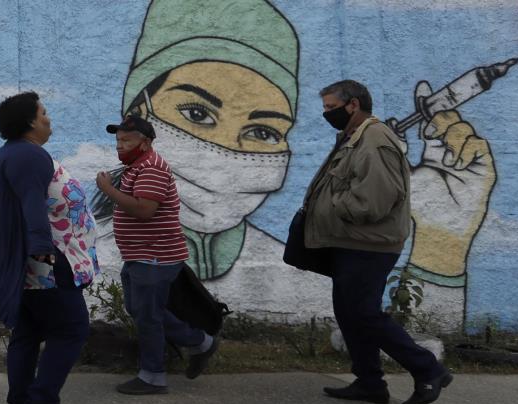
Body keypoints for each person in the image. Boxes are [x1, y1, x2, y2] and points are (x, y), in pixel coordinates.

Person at [84, 0, 496, 332]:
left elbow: (378, 319)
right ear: (139, 109)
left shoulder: (294, 274)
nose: (228, 149)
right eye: (197, 112)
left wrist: (442, 251)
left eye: (263, 132)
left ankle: (379, 379)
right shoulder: (92, 260)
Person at [306, 80, 452, 404]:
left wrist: (333, 205)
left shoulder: (374, 139)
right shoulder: (355, 138)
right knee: (348, 311)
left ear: (353, 105)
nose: (326, 113)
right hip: (352, 242)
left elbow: (375, 200)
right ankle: (369, 382)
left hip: (369, 244)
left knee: (364, 313)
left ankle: (428, 369)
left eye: (331, 107)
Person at [0, 92, 99, 404]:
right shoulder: (30, 156)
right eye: (44, 113)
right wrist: (42, 251)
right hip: (49, 260)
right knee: (72, 329)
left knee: (29, 332)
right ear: (31, 122)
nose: (49, 118)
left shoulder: (10, 155)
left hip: (35, 260)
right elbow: (33, 206)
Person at [96, 115, 218, 395]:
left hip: (155, 257)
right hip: (141, 256)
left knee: (148, 316)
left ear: (146, 142)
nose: (120, 146)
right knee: (140, 310)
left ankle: (153, 375)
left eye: (127, 140)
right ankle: (201, 343)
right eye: (118, 140)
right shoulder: (136, 167)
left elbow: (144, 209)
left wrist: (108, 190)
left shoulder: (151, 167)